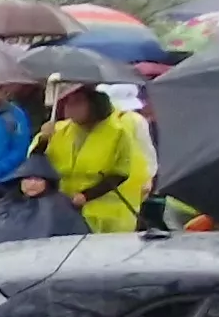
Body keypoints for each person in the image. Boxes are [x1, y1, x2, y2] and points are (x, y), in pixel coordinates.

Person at [44, 84, 149, 236]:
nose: (70, 108)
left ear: (93, 105)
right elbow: (36, 163)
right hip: (68, 211)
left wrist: (86, 195)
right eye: (68, 103)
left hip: (108, 215)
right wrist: (43, 139)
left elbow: (120, 173)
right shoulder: (59, 130)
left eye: (78, 103)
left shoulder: (118, 133)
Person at [0, 154, 92, 252]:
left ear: (47, 182)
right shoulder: (6, 202)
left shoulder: (60, 206)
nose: (32, 184)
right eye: (28, 179)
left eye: (38, 179)